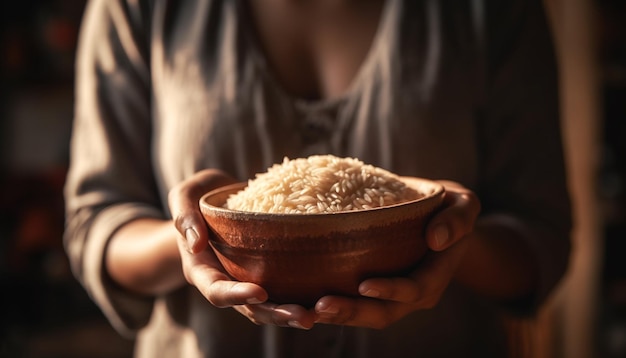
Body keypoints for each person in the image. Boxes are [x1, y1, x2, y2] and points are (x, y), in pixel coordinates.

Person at [63, 0, 572, 356]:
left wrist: (449, 242)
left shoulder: (494, 9)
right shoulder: (136, 7)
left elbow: (541, 241)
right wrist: (195, 239)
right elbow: (97, 222)